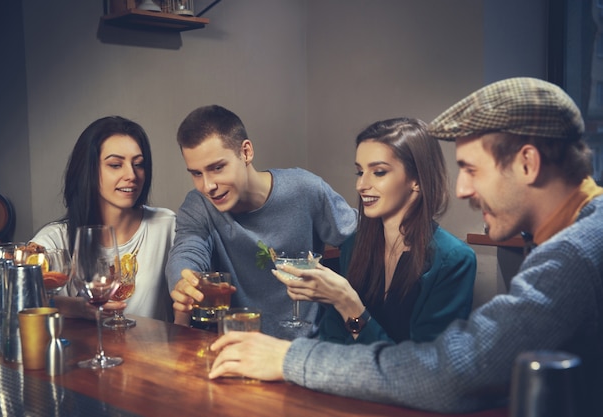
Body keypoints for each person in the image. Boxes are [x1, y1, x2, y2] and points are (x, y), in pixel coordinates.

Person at [208, 78, 603, 414]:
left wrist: (288, 358)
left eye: (471, 169)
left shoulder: (574, 254)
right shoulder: (575, 236)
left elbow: (450, 374)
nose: (463, 189)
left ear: (528, 164)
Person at [272, 117, 476, 345]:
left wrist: (347, 303)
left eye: (378, 172)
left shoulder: (454, 260)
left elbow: (423, 368)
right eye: (360, 172)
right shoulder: (353, 245)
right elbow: (333, 342)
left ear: (417, 180)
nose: (361, 185)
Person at [166, 104, 357, 339]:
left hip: (307, 349)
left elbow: (362, 236)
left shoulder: (305, 189)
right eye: (196, 173)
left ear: (246, 152)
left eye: (217, 168)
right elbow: (187, 249)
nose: (208, 186)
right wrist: (183, 283)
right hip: (238, 348)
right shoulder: (198, 205)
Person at [30, 116, 176, 322]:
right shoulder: (55, 240)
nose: (131, 175)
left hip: (152, 353)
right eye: (116, 165)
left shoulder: (167, 225)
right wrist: (75, 307)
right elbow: (19, 296)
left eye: (139, 164)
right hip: (82, 354)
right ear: (88, 170)